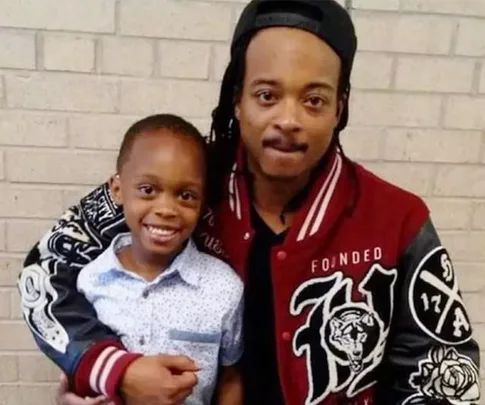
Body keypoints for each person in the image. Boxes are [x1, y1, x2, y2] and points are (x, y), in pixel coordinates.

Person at [18, 1, 480, 405]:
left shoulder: (397, 219)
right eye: (266, 95)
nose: (288, 119)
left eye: (315, 100)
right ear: (236, 99)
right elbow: (44, 271)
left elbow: (444, 371)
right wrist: (104, 366)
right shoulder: (182, 182)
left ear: (340, 108)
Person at [70, 114, 242, 405]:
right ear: (117, 189)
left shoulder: (224, 288)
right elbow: (77, 369)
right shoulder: (89, 280)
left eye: (186, 195)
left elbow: (231, 376)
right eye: (148, 190)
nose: (166, 209)